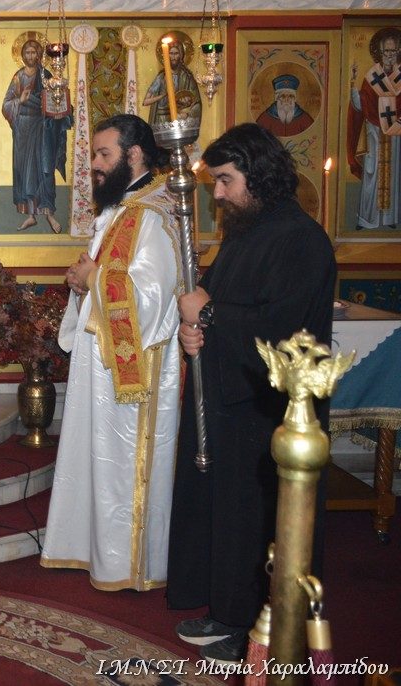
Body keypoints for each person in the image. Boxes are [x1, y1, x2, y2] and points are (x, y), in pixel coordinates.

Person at [167, 123, 336, 667]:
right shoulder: (246, 231)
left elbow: (284, 330)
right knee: (227, 512)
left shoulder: (301, 239)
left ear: (257, 176)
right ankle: (227, 610)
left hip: (270, 408)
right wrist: (195, 330)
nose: (217, 194)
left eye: (225, 181)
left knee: (257, 518)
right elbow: (212, 301)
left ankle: (256, 632)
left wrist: (210, 314)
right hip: (228, 396)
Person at [40, 114, 181, 591]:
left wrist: (92, 277)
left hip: (133, 373)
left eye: (104, 155)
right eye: (94, 156)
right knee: (94, 457)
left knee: (121, 466)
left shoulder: (155, 214)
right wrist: (84, 283)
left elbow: (152, 296)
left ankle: (125, 564)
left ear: (134, 154)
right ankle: (90, 549)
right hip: (100, 363)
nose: (95, 166)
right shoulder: (123, 209)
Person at [2, 38, 71, 233]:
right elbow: (6, 105)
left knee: (44, 168)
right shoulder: (18, 77)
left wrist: (63, 106)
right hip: (23, 130)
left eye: (33, 52)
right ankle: (30, 215)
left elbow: (55, 100)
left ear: (39, 54)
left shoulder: (45, 75)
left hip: (42, 129)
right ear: (22, 55)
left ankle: (49, 214)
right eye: (27, 53)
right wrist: (20, 100)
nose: (30, 56)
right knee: (25, 171)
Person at [347, 27, 400, 230]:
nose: (390, 55)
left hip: (395, 135)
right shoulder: (372, 77)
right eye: (386, 51)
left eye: (393, 51)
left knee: (393, 175)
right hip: (374, 134)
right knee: (371, 173)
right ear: (380, 52)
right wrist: (353, 86)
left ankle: (389, 219)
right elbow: (361, 104)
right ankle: (366, 219)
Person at [142, 38, 202, 127]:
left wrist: (187, 112)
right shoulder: (161, 77)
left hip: (180, 120)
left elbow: (196, 101)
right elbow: (146, 101)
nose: (173, 57)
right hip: (161, 120)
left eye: (176, 53)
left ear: (181, 55)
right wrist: (163, 96)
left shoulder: (187, 77)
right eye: (171, 53)